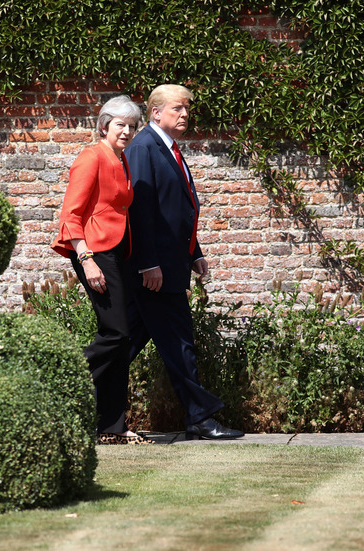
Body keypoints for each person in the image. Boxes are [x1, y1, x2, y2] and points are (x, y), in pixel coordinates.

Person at [124, 84, 244, 439]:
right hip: (155, 272)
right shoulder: (145, 147)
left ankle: (83, 400)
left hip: (168, 265)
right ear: (156, 112)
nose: (185, 114)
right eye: (178, 108)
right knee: (178, 343)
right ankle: (200, 418)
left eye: (187, 108)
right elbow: (140, 209)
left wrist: (194, 251)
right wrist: (148, 263)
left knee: (120, 344)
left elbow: (174, 211)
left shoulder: (167, 148)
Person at [51, 95, 152, 445]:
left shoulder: (120, 159)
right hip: (95, 252)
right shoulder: (90, 157)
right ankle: (60, 379)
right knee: (117, 334)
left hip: (117, 253)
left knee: (121, 341)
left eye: (132, 126)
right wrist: (86, 258)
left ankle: (111, 422)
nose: (126, 131)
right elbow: (71, 214)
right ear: (104, 125)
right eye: (120, 125)